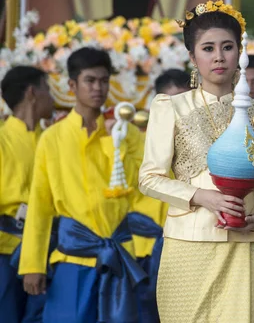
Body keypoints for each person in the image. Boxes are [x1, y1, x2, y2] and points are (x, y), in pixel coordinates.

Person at [139, 0, 254, 322]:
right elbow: (149, 178)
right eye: (208, 48)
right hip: (189, 245)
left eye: (227, 47)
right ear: (192, 57)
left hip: (247, 245)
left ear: (240, 52)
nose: (218, 56)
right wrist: (202, 197)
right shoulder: (171, 108)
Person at [19, 47, 145, 323]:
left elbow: (142, 185)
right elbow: (40, 205)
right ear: (72, 85)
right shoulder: (53, 138)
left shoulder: (127, 133)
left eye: (103, 80)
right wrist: (32, 263)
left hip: (121, 256)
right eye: (90, 81)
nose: (98, 88)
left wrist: (117, 145)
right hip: (72, 258)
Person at [129, 69, 190, 323]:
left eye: (183, 102)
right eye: (170, 103)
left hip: (186, 245)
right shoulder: (133, 141)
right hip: (142, 248)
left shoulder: (207, 145)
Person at [0, 66, 53, 323]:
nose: (52, 98)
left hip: (47, 248)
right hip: (5, 252)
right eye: (48, 89)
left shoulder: (52, 140)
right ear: (32, 93)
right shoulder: (1, 140)